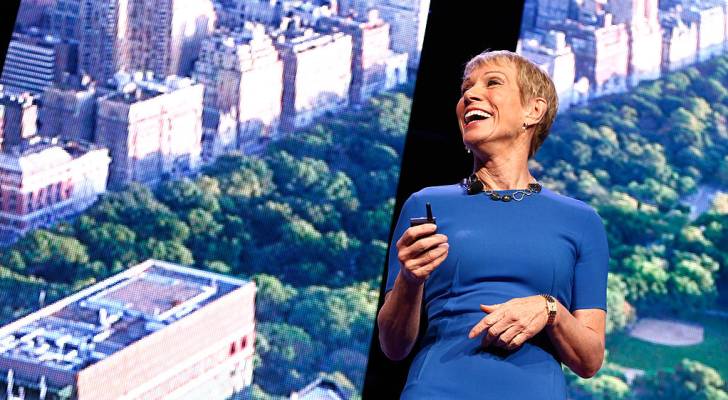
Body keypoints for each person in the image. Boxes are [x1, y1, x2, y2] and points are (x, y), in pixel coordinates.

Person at [377, 50, 609, 399]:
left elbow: (589, 360)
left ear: (534, 110)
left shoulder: (581, 221)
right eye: (466, 88)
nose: (470, 94)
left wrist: (550, 310)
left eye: (492, 83)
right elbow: (393, 346)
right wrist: (410, 280)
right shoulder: (426, 204)